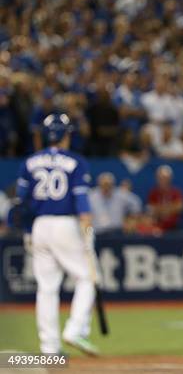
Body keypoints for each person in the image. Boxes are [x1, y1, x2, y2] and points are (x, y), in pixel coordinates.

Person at [14, 113, 99, 356]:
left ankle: (49, 347)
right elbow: (81, 200)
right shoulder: (76, 161)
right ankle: (76, 329)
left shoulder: (29, 162)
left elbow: (21, 203)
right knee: (86, 278)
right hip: (65, 224)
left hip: (39, 225)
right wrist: (87, 231)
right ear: (66, 136)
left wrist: (28, 231)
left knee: (46, 288)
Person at [146, 164, 183, 231]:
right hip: (157, 227)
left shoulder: (176, 192)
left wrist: (161, 210)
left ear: (170, 179)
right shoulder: (153, 193)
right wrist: (171, 208)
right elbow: (151, 209)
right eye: (160, 178)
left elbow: (181, 207)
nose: (163, 181)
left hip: (174, 227)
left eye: (165, 178)